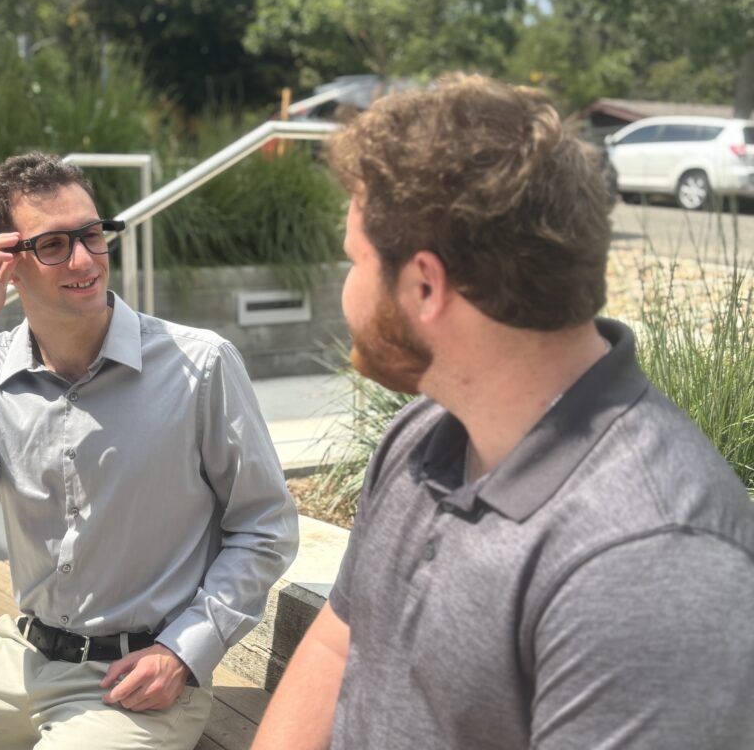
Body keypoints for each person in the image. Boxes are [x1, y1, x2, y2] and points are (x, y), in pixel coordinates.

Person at [252, 74, 754, 749]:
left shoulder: (650, 564)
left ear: (426, 285)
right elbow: (339, 649)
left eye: (354, 261)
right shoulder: (423, 436)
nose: (345, 289)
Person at [0, 152, 298, 749]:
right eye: (52, 245)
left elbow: (265, 526)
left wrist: (185, 651)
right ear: (7, 266)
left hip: (136, 682)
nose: (83, 261)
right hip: (19, 657)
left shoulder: (199, 365)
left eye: (92, 235)